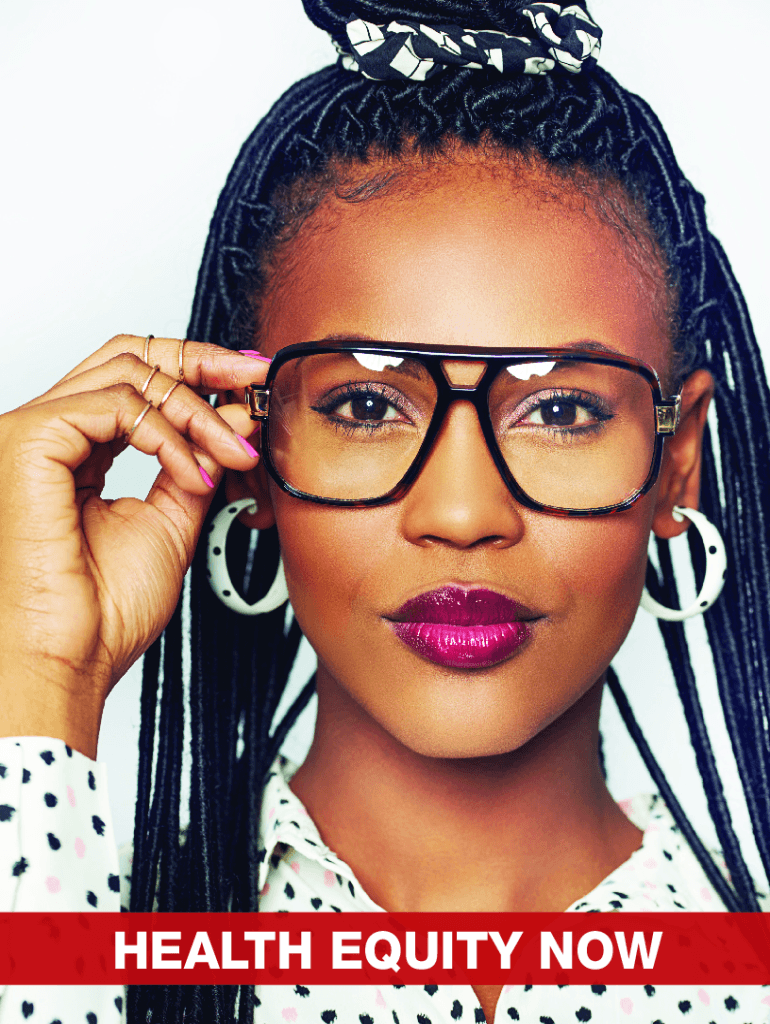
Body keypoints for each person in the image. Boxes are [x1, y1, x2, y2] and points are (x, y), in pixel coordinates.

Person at [1, 1, 769, 1022]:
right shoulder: (69, 933)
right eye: (366, 406)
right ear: (248, 449)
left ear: (675, 462)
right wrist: (42, 677)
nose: (461, 511)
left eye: (558, 410)